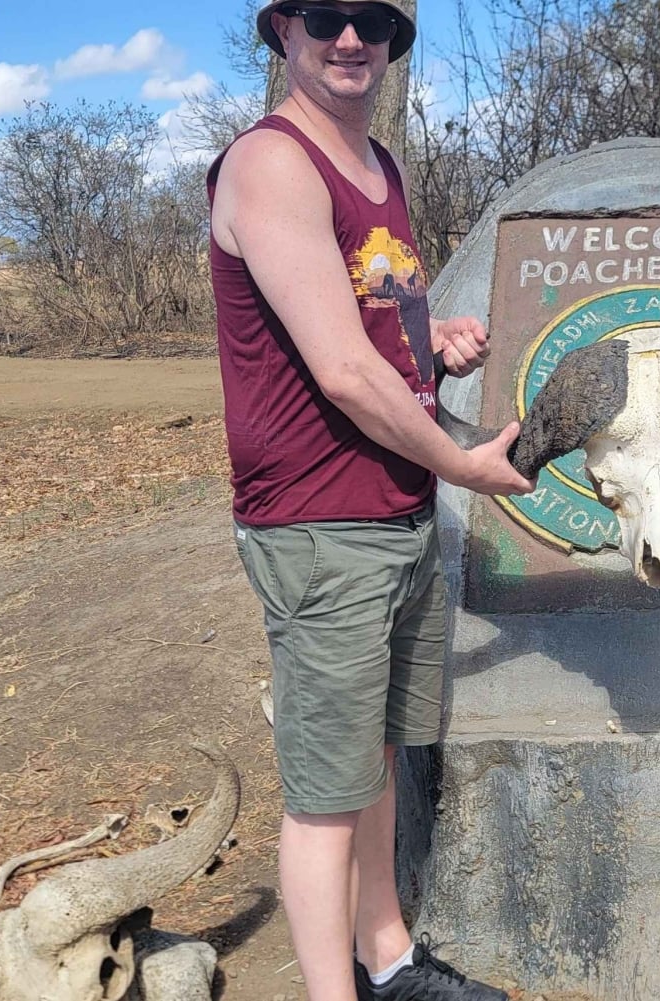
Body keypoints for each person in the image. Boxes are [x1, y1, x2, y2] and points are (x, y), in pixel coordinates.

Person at [207, 4, 533, 1001]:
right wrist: (466, 464)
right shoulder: (271, 164)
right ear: (284, 31)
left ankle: (388, 958)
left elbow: (371, 323)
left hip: (393, 508)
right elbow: (345, 371)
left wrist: (431, 341)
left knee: (380, 755)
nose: (352, 38)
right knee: (323, 796)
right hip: (318, 522)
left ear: (396, 40)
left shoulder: (379, 164)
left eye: (376, 19)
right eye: (328, 15)